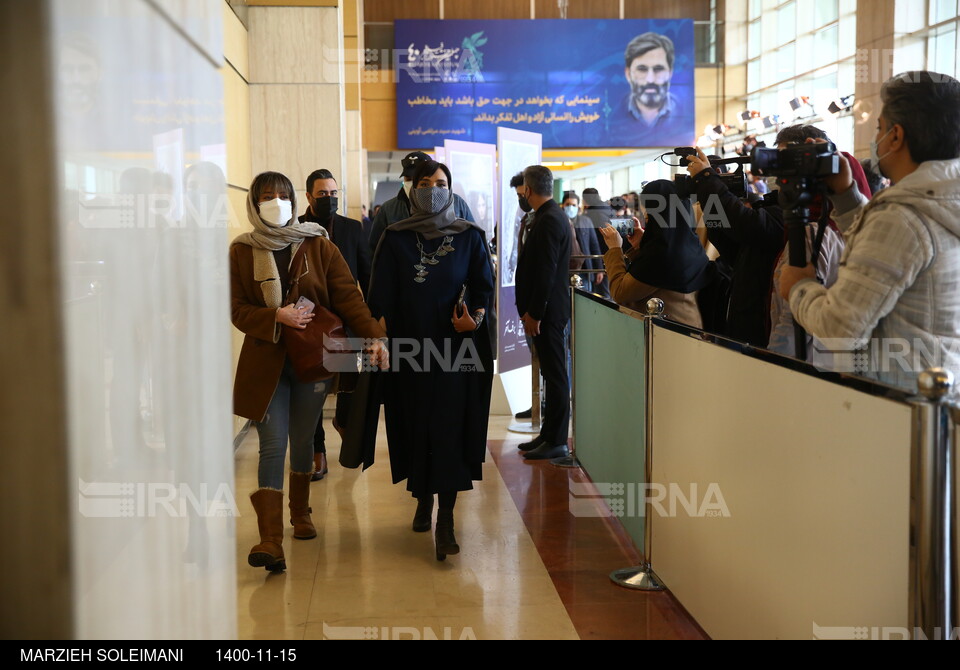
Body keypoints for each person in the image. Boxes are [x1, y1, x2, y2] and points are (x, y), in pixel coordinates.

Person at [230, 171, 388, 573]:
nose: (277, 202)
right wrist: (275, 315)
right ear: (254, 202)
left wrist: (373, 336)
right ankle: (270, 539)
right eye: (268, 196)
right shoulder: (241, 250)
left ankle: (300, 512)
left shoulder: (318, 244)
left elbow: (348, 297)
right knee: (271, 444)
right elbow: (234, 308)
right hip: (266, 363)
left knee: (302, 439)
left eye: (283, 196)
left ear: (294, 201)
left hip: (312, 359)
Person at [780, 71, 960, 392]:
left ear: (896, 136)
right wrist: (846, 193)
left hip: (894, 403)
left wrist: (800, 288)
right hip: (936, 392)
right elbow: (885, 256)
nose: (875, 139)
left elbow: (840, 328)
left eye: (878, 128)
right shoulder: (941, 200)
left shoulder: (903, 216)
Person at [367, 160, 494, 561]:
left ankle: (447, 520)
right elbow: (379, 296)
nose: (434, 189)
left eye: (441, 183)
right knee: (416, 424)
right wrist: (377, 337)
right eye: (425, 183)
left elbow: (482, 288)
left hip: (455, 349)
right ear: (412, 188)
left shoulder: (469, 236)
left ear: (451, 189)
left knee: (449, 430)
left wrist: (472, 317)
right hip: (409, 350)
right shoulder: (395, 237)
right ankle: (423, 497)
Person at [298, 168, 373, 481]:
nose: (329, 199)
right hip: (309, 321)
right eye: (322, 195)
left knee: (348, 386)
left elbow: (367, 275)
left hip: (344, 322)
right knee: (312, 389)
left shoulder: (352, 228)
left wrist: (371, 317)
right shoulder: (296, 228)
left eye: (333, 194)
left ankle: (343, 424)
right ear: (308, 197)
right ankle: (318, 451)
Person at [514, 165, 573, 461]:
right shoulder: (549, 216)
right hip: (546, 311)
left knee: (556, 375)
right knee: (550, 375)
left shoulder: (550, 219)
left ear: (528, 189)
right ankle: (548, 435)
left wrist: (535, 313)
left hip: (548, 312)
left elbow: (546, 271)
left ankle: (558, 440)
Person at [598, 180, 711, 328]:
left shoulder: (661, 255)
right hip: (688, 328)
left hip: (666, 336)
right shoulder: (690, 244)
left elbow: (620, 292)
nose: (647, 218)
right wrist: (641, 244)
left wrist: (614, 249)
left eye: (649, 214)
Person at [369, 151, 474, 252]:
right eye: (408, 178)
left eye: (417, 178)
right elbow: (375, 248)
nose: (412, 182)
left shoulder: (457, 204)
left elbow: (472, 241)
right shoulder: (388, 209)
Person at [609, 32, 690, 146]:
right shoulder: (611, 119)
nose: (650, 79)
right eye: (642, 69)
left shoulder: (687, 117)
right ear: (628, 74)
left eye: (658, 69)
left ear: (670, 72)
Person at [562, 191, 604, 293]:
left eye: (573, 205)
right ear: (562, 205)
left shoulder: (586, 221)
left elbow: (594, 245)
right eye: (567, 204)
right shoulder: (559, 222)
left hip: (585, 271)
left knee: (585, 299)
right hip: (565, 271)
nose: (570, 207)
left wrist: (599, 268)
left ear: (578, 206)